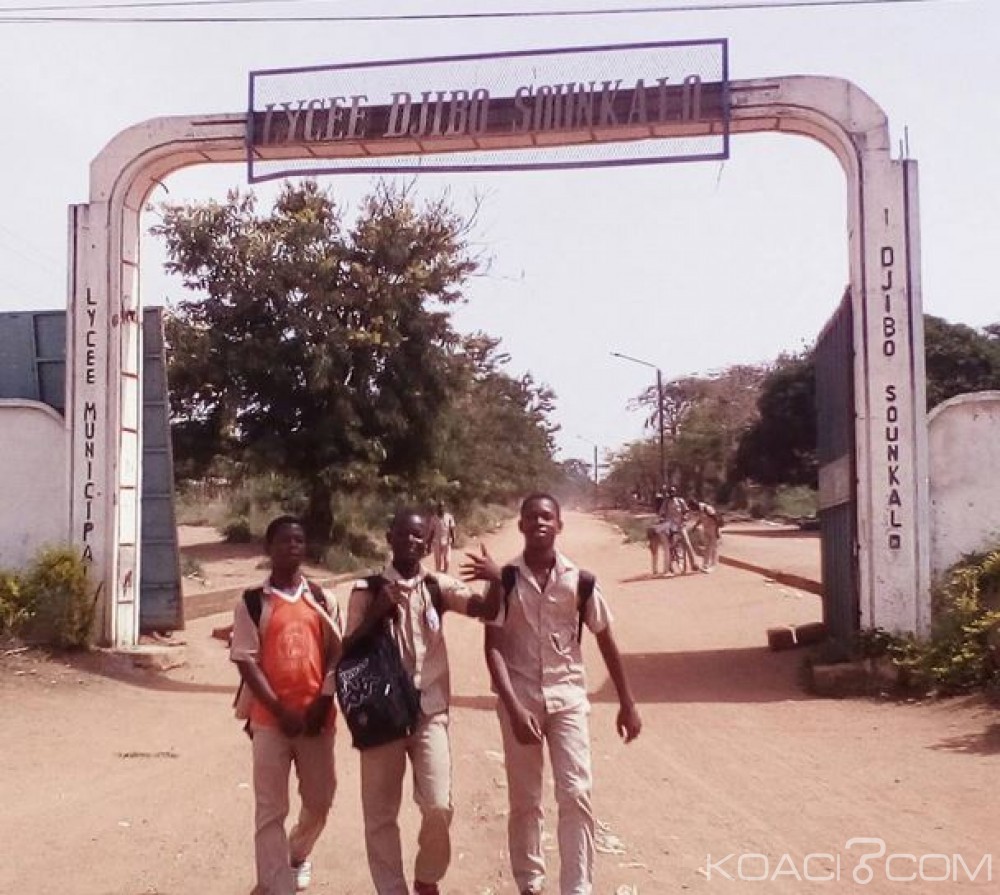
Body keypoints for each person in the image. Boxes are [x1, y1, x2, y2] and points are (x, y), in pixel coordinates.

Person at [469, 492, 642, 895]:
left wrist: (627, 703)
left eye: (547, 516)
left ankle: (577, 886)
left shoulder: (580, 581)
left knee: (576, 792)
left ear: (559, 525)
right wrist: (513, 708)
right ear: (521, 526)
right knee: (525, 799)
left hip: (568, 699)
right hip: (521, 699)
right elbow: (492, 647)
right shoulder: (505, 579)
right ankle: (530, 883)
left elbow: (606, 640)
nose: (539, 523)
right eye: (531, 517)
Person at [345, 507, 500, 895]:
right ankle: (391, 888)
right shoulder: (366, 591)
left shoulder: (437, 587)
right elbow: (346, 649)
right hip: (382, 715)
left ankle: (427, 876)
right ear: (389, 537)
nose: (412, 542)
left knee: (438, 805)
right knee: (380, 814)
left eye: (420, 537)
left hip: (430, 710)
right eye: (404, 534)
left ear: (429, 544)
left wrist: (496, 580)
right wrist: (377, 615)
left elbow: (487, 610)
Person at [230, 515, 343, 895]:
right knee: (270, 809)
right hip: (269, 721)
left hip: (317, 721)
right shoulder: (251, 601)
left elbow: (336, 656)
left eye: (298, 540)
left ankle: (297, 854)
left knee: (320, 801)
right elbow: (246, 659)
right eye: (283, 541)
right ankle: (276, 884)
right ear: (269, 547)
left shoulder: (323, 599)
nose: (291, 547)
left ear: (305, 547)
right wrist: (280, 710)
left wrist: (317, 705)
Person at [662, 486, 700, 572]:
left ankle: (694, 563)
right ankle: (669, 565)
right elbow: (662, 512)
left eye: (673, 492)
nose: (672, 494)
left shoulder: (680, 501)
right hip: (670, 525)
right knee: (669, 545)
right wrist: (662, 518)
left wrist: (685, 517)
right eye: (670, 492)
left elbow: (686, 511)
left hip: (680, 525)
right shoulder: (666, 502)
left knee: (687, 542)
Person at [689, 499, 722, 572]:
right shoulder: (700, 510)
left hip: (713, 529)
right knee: (707, 547)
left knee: (714, 548)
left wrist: (716, 531)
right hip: (706, 530)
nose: (693, 510)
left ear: (695, 505)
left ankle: (713, 566)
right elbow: (701, 519)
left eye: (692, 508)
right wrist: (695, 526)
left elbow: (716, 518)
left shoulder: (707, 508)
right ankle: (705, 565)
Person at [427, 501, 457, 574]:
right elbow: (431, 532)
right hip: (437, 542)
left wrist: (453, 539)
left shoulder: (449, 517)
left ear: (444, 507)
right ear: (437, 508)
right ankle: (438, 577)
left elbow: (452, 529)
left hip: (446, 542)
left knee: (447, 560)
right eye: (439, 507)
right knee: (438, 561)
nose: (441, 508)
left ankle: (446, 574)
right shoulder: (434, 518)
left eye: (442, 506)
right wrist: (428, 545)